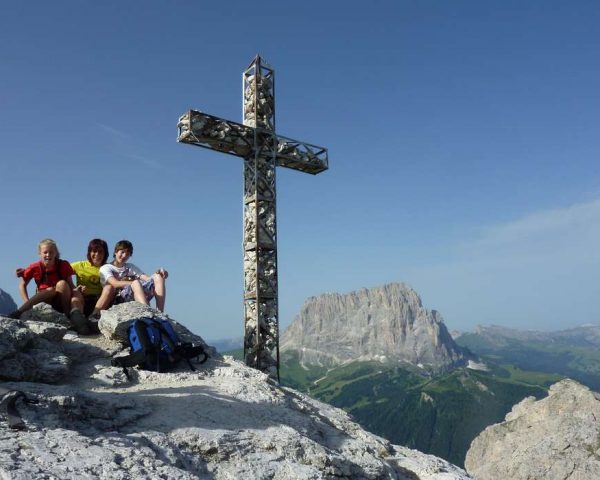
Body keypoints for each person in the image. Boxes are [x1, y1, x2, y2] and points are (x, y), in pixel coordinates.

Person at [9, 239, 89, 334]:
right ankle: (19, 311)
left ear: (56, 253)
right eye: (45, 252)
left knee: (62, 284)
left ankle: (70, 316)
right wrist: (27, 301)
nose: (48, 255)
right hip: (44, 300)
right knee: (51, 290)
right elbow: (22, 284)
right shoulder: (34, 267)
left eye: (51, 252)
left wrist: (78, 290)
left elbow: (70, 285)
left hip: (62, 300)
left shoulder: (63, 265)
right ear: (40, 254)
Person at [99, 240, 168, 312]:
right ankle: (147, 311)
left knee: (158, 277)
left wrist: (160, 273)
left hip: (136, 294)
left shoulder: (130, 266)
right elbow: (114, 283)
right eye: (122, 252)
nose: (124, 256)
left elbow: (148, 279)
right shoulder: (106, 267)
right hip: (117, 299)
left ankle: (160, 312)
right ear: (116, 252)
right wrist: (133, 282)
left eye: (127, 254)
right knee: (136, 283)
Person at [71, 238, 115, 320]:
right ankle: (78, 320)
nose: (97, 254)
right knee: (75, 294)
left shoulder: (108, 268)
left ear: (105, 254)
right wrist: (73, 287)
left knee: (109, 287)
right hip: (83, 300)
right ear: (89, 252)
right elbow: (62, 272)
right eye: (94, 251)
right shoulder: (79, 265)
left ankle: (94, 317)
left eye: (100, 252)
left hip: (101, 302)